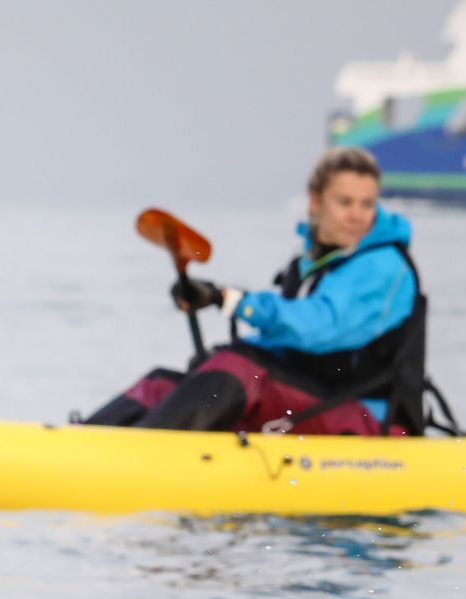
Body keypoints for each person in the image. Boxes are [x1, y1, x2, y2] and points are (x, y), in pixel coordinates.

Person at [84, 147, 427, 437]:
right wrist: (216, 306)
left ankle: (138, 462)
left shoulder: (383, 266)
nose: (357, 215)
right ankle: (83, 440)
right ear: (316, 202)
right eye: (346, 202)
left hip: (367, 417)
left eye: (367, 204)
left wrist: (232, 302)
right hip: (316, 398)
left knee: (238, 369)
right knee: (162, 384)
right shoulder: (311, 262)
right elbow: (288, 346)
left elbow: (318, 329)